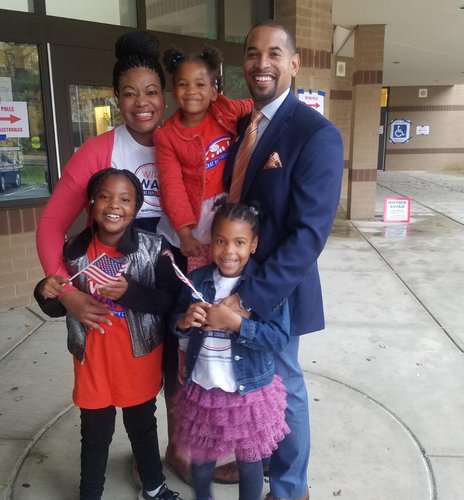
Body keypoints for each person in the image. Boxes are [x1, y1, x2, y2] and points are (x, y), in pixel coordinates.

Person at [222, 21, 344, 500]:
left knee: (283, 383)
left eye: (274, 54)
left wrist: (249, 298)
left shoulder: (317, 135)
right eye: (253, 54)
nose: (261, 63)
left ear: (294, 64)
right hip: (235, 274)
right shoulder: (243, 126)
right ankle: (260, 458)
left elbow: (309, 235)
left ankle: (291, 488)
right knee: (251, 379)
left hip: (276, 291)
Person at [33, 168, 182, 500]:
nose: (114, 205)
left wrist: (129, 293)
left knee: (143, 427)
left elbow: (169, 301)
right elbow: (60, 307)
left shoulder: (154, 248)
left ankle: (154, 487)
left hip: (137, 360)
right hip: (93, 362)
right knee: (95, 434)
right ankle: (91, 494)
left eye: (125, 199)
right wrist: (44, 291)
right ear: (92, 202)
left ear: (136, 206)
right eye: (105, 196)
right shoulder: (73, 253)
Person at [36, 30, 167, 331]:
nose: (141, 103)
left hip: (166, 289)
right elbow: (52, 224)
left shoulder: (182, 144)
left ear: (164, 95)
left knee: (172, 375)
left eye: (151, 91)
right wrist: (67, 293)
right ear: (117, 97)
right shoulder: (96, 152)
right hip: (109, 294)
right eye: (129, 93)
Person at [171, 200, 290, 500]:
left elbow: (277, 338)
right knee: (201, 460)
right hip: (204, 386)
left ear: (254, 244)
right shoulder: (197, 280)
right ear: (212, 243)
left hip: (248, 392)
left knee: (249, 462)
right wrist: (185, 321)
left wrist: (236, 323)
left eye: (239, 242)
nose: (229, 251)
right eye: (221, 241)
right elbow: (177, 323)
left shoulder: (264, 286)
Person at [154, 45, 252, 273]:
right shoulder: (167, 136)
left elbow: (254, 107)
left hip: (231, 207)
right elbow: (172, 187)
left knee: (233, 266)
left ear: (213, 91)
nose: (191, 91)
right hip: (196, 215)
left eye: (200, 84)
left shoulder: (224, 109)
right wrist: (185, 233)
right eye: (183, 84)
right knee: (201, 273)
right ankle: (202, 306)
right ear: (173, 91)